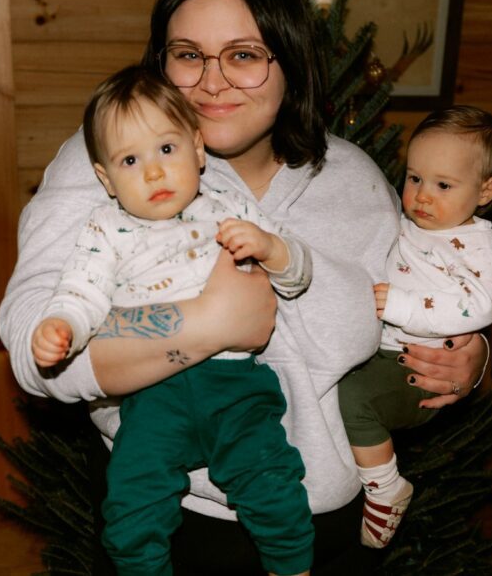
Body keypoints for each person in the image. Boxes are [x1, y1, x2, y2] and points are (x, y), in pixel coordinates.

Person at [0, 0, 490, 575]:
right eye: (187, 55)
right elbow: (33, 349)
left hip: (327, 524)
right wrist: (203, 325)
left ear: (290, 61)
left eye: (244, 55)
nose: (211, 80)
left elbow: (429, 285)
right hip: (175, 519)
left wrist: (470, 357)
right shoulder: (114, 162)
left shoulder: (355, 179)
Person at [32, 65, 314, 576]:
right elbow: (83, 289)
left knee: (269, 476)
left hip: (233, 385)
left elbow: (297, 273)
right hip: (153, 394)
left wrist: (271, 249)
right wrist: (64, 325)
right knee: (132, 499)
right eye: (130, 160)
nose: (154, 172)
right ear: (106, 179)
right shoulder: (107, 228)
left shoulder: (229, 207)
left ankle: (290, 566)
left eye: (167, 149)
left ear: (198, 149)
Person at [338, 105, 492, 549]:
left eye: (443, 185)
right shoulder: (406, 223)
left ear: (486, 190)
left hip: (413, 366)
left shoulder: (479, 250)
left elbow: (480, 308)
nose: (422, 196)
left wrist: (402, 306)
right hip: (381, 350)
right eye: (414, 178)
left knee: (353, 399)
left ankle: (384, 487)